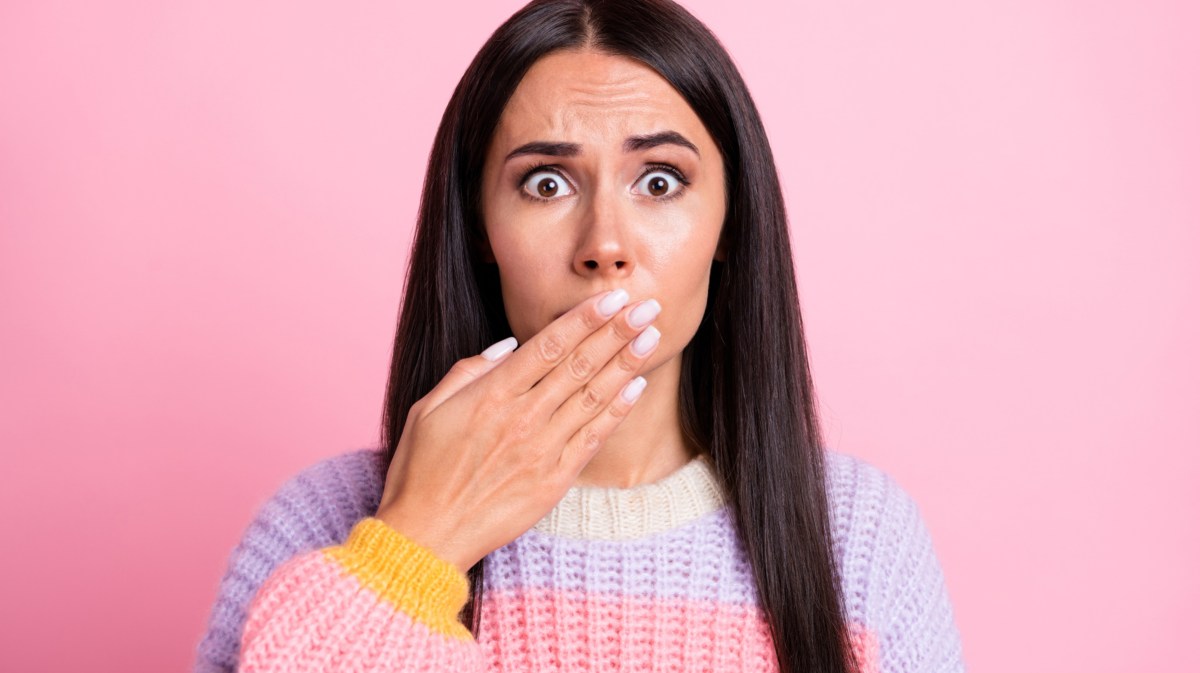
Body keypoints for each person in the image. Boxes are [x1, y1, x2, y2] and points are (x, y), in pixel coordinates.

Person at [193, 0, 966, 671]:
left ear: (730, 223)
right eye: (547, 182)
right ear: (481, 229)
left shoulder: (862, 541)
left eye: (659, 181)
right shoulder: (322, 524)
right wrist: (412, 552)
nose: (604, 243)